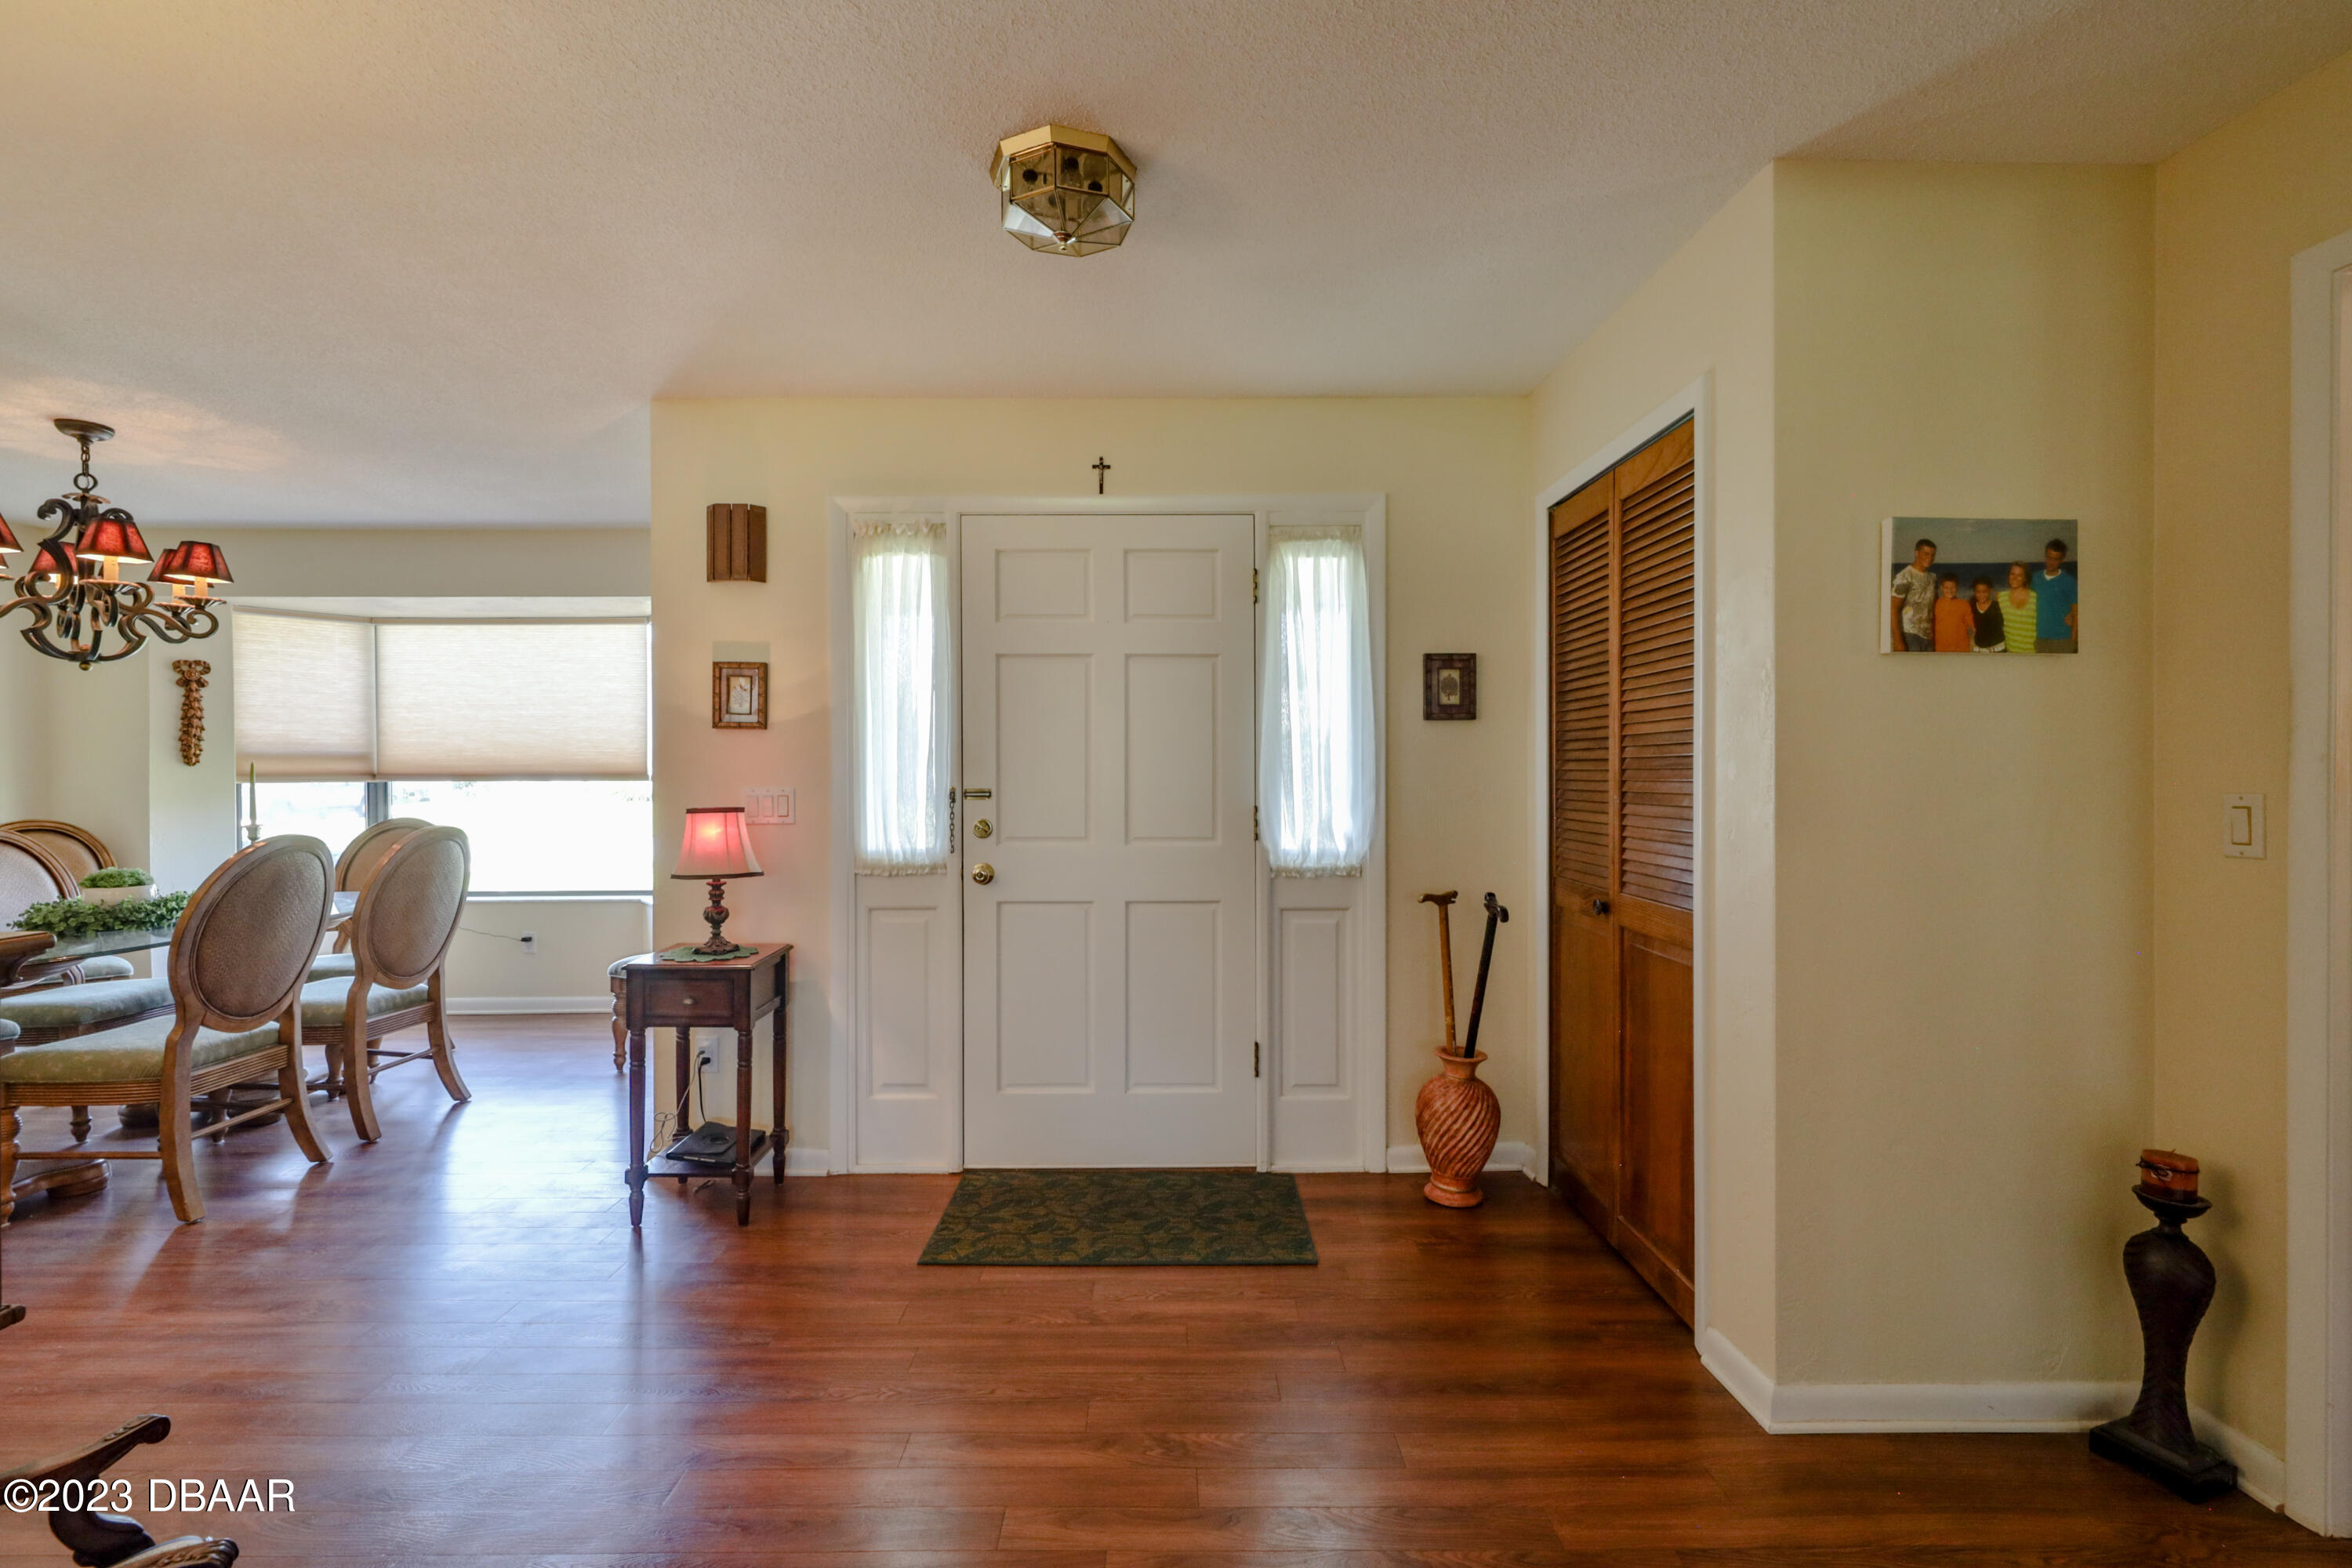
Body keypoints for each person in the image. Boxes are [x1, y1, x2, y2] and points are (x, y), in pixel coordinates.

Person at [1889, 538, 1938, 652]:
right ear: (1917, 553)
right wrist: (1897, 640)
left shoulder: (1932, 578)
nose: (1930, 558)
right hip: (1910, 635)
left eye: (1933, 555)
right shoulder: (1905, 577)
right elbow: (1893, 608)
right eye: (1926, 554)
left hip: (1927, 636)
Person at [2036, 538, 2079, 653]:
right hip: (2039, 638)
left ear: (2062, 560)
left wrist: (2073, 640)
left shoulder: (2070, 581)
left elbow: (2077, 613)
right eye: (2049, 557)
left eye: (2056, 559)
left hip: (2063, 639)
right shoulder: (2035, 578)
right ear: (2045, 556)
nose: (2051, 562)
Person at [2002, 562, 2038, 655]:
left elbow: (2049, 614)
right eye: (2012, 574)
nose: (2015, 578)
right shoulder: (2001, 597)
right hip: (2011, 652)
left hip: (2033, 652)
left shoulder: (2035, 597)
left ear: (2025, 578)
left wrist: (2070, 616)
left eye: (2019, 575)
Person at [1932, 573, 1973, 652]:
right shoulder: (1936, 604)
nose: (1950, 591)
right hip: (1941, 648)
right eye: (1946, 588)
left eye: (1953, 587)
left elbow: (1972, 625)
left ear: (1957, 587)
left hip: (1961, 648)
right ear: (1941, 588)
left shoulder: (1964, 604)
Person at [1969, 575, 2005, 652]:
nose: (1981, 595)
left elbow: (2004, 623)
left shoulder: (1997, 606)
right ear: (1974, 592)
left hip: (1998, 648)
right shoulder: (1972, 606)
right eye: (1978, 592)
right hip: (1979, 648)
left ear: (1990, 591)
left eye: (1984, 592)